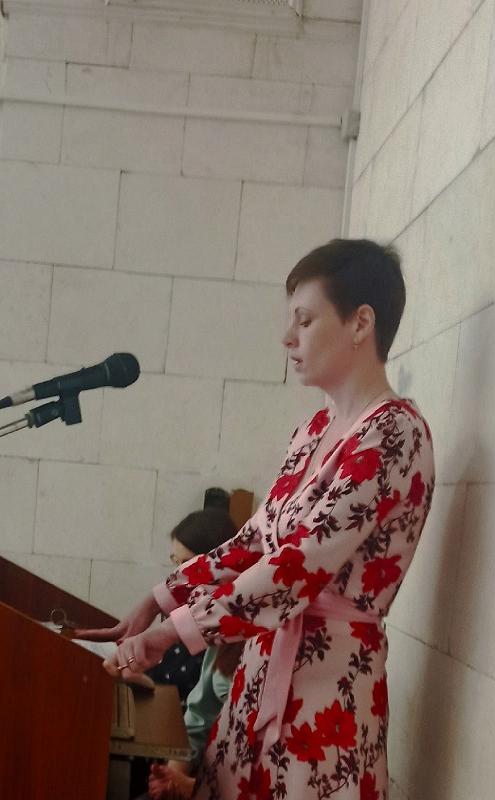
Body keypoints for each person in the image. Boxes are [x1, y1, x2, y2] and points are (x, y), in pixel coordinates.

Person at [77, 239, 435, 800]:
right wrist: (160, 598)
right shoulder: (314, 430)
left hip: (325, 696)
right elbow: (254, 541)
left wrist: (175, 632)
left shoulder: (393, 432)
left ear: (361, 322)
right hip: (261, 672)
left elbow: (297, 565)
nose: (288, 337)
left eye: (305, 320)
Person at [146, 508, 237, 705]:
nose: (178, 575)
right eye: (175, 562)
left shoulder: (221, 621)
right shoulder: (183, 606)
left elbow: (183, 686)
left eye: (187, 564)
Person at [146, 642, 244, 800]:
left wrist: (194, 787)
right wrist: (173, 774)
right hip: (208, 778)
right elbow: (200, 715)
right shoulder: (228, 635)